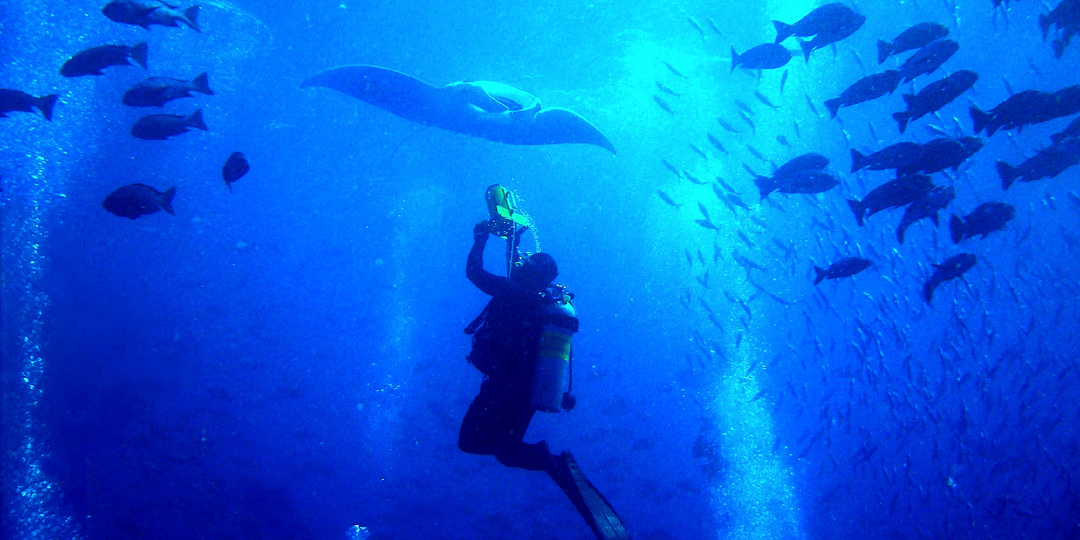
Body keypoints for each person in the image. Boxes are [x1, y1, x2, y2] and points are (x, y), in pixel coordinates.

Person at [458, 218, 630, 540]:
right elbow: (515, 271)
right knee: (504, 450)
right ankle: (548, 461)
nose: (521, 265)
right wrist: (512, 241)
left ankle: (547, 460)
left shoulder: (513, 292)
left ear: (534, 273)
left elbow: (474, 272)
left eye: (528, 264)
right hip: (529, 392)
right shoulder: (538, 302)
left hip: (503, 389)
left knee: (471, 442)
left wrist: (480, 237)